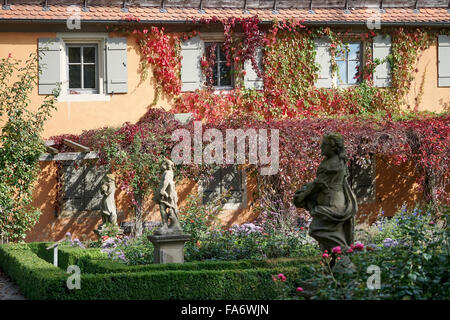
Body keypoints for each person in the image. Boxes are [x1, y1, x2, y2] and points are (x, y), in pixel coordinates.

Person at [293, 133, 357, 269]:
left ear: (333, 147)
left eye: (325, 145)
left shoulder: (332, 165)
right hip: (331, 200)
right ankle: (330, 273)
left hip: (332, 202)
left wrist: (304, 194)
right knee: (325, 244)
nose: (321, 147)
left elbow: (319, 184)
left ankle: (345, 258)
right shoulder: (333, 161)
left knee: (317, 229)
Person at [154, 158, 182, 235]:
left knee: (164, 208)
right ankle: (168, 225)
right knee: (168, 208)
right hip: (168, 192)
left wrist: (162, 190)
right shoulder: (169, 172)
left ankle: (166, 225)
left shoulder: (167, 172)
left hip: (167, 193)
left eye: (163, 164)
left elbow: (166, 181)